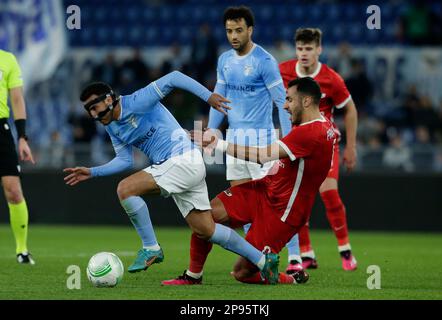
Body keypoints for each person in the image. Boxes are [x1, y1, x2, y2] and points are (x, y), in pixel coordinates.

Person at [63, 70, 279, 283]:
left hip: (182, 160)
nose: (92, 114)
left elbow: (174, 77)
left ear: (109, 99)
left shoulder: (137, 101)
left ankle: (151, 248)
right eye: (88, 110)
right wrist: (92, 172)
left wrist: (208, 96)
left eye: (94, 107)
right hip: (181, 165)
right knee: (206, 230)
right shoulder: (113, 127)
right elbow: (125, 160)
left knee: (125, 189)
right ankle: (262, 261)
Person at [162, 77, 335, 285]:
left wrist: (217, 144)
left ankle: (291, 279)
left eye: (289, 100)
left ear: (306, 101)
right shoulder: (322, 124)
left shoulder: (311, 132)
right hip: (264, 189)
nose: (285, 106)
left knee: (242, 273)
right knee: (205, 215)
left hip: (283, 212)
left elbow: (262, 155)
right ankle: (193, 276)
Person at [279, 28, 358, 272]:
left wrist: (351, 147)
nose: (304, 53)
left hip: (325, 143)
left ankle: (345, 251)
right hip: (296, 144)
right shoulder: (283, 71)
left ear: (319, 50)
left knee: (329, 193)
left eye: (309, 48)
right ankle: (306, 253)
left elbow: (350, 110)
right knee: (298, 199)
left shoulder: (331, 79)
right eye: (300, 48)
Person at [208, 6, 291, 188]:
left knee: (264, 208)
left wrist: (289, 142)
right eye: (229, 31)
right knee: (239, 209)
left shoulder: (265, 61)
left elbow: (282, 102)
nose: (234, 36)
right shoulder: (224, 60)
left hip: (261, 144)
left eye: (239, 30)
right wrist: (211, 129)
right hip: (234, 143)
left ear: (250, 30)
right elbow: (218, 97)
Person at [0, 49, 36, 264]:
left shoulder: (7, 59)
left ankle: (22, 250)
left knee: (13, 191)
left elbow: (16, 98)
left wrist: (22, 136)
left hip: (1, 130)